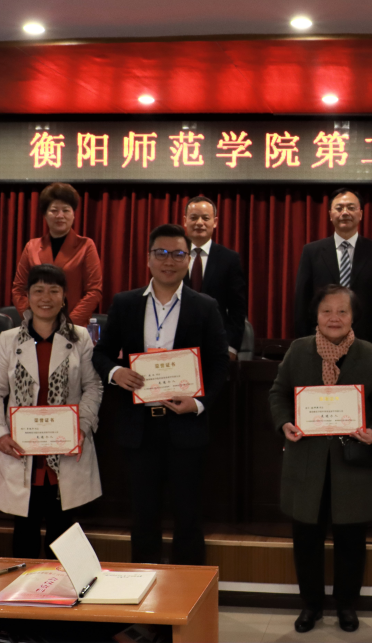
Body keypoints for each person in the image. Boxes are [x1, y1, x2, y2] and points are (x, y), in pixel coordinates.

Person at [92, 224, 229, 565]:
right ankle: (144, 593)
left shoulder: (205, 306)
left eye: (178, 254)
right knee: (143, 518)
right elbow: (101, 353)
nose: (169, 261)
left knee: (188, 517)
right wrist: (116, 372)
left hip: (185, 426)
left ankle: (190, 593)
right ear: (148, 258)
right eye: (162, 253)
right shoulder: (125, 303)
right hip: (139, 427)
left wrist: (198, 403)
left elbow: (219, 366)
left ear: (188, 260)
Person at [269, 284, 372, 635]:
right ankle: (310, 604)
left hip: (351, 465)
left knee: (351, 540)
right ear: (316, 315)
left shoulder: (368, 354)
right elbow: (278, 393)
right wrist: (284, 422)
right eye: (327, 311)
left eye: (342, 311)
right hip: (306, 462)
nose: (334, 318)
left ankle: (346, 605)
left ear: (353, 317)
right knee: (306, 539)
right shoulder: (299, 350)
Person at [0, 264, 104, 558]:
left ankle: (59, 587)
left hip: (66, 450)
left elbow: (93, 386)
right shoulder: (9, 339)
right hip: (21, 449)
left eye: (54, 290)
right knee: (24, 533)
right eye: (38, 290)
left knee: (63, 534)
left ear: (64, 297)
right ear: (27, 297)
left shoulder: (80, 338)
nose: (45, 297)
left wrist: (82, 427)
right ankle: (22, 588)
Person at [294, 188, 372, 350]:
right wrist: (303, 345)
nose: (345, 212)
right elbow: (302, 301)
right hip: (320, 342)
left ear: (360, 214)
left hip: (365, 343)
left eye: (351, 208)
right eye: (339, 208)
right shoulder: (311, 252)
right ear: (330, 214)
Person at [10, 182, 104, 327]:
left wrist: (68, 323)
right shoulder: (31, 246)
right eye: (54, 210)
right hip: (36, 326)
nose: (60, 215)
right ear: (45, 215)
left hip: (73, 326)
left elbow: (94, 291)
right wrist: (33, 319)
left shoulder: (86, 246)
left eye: (66, 210)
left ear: (74, 214)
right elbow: (18, 289)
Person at [182, 195, 248, 359]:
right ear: (185, 221)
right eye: (194, 218)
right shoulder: (174, 256)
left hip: (216, 345)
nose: (199, 223)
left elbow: (237, 309)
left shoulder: (229, 259)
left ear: (215, 222)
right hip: (178, 344)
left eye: (205, 218)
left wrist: (231, 348)